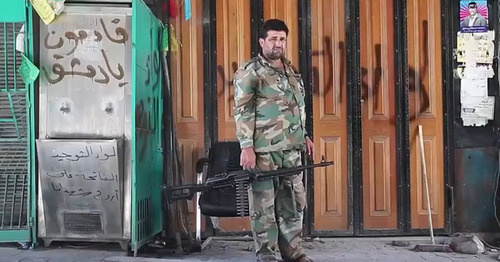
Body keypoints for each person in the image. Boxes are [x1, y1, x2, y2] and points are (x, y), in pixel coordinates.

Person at [233, 19, 315, 262]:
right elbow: (242, 111)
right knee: (264, 209)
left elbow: (297, 108)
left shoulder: (290, 70)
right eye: (273, 39)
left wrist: (306, 135)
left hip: (291, 151)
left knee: (291, 205)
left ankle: (294, 253)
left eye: (282, 39)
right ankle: (267, 256)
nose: (278, 44)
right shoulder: (250, 72)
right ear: (262, 42)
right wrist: (246, 146)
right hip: (264, 152)